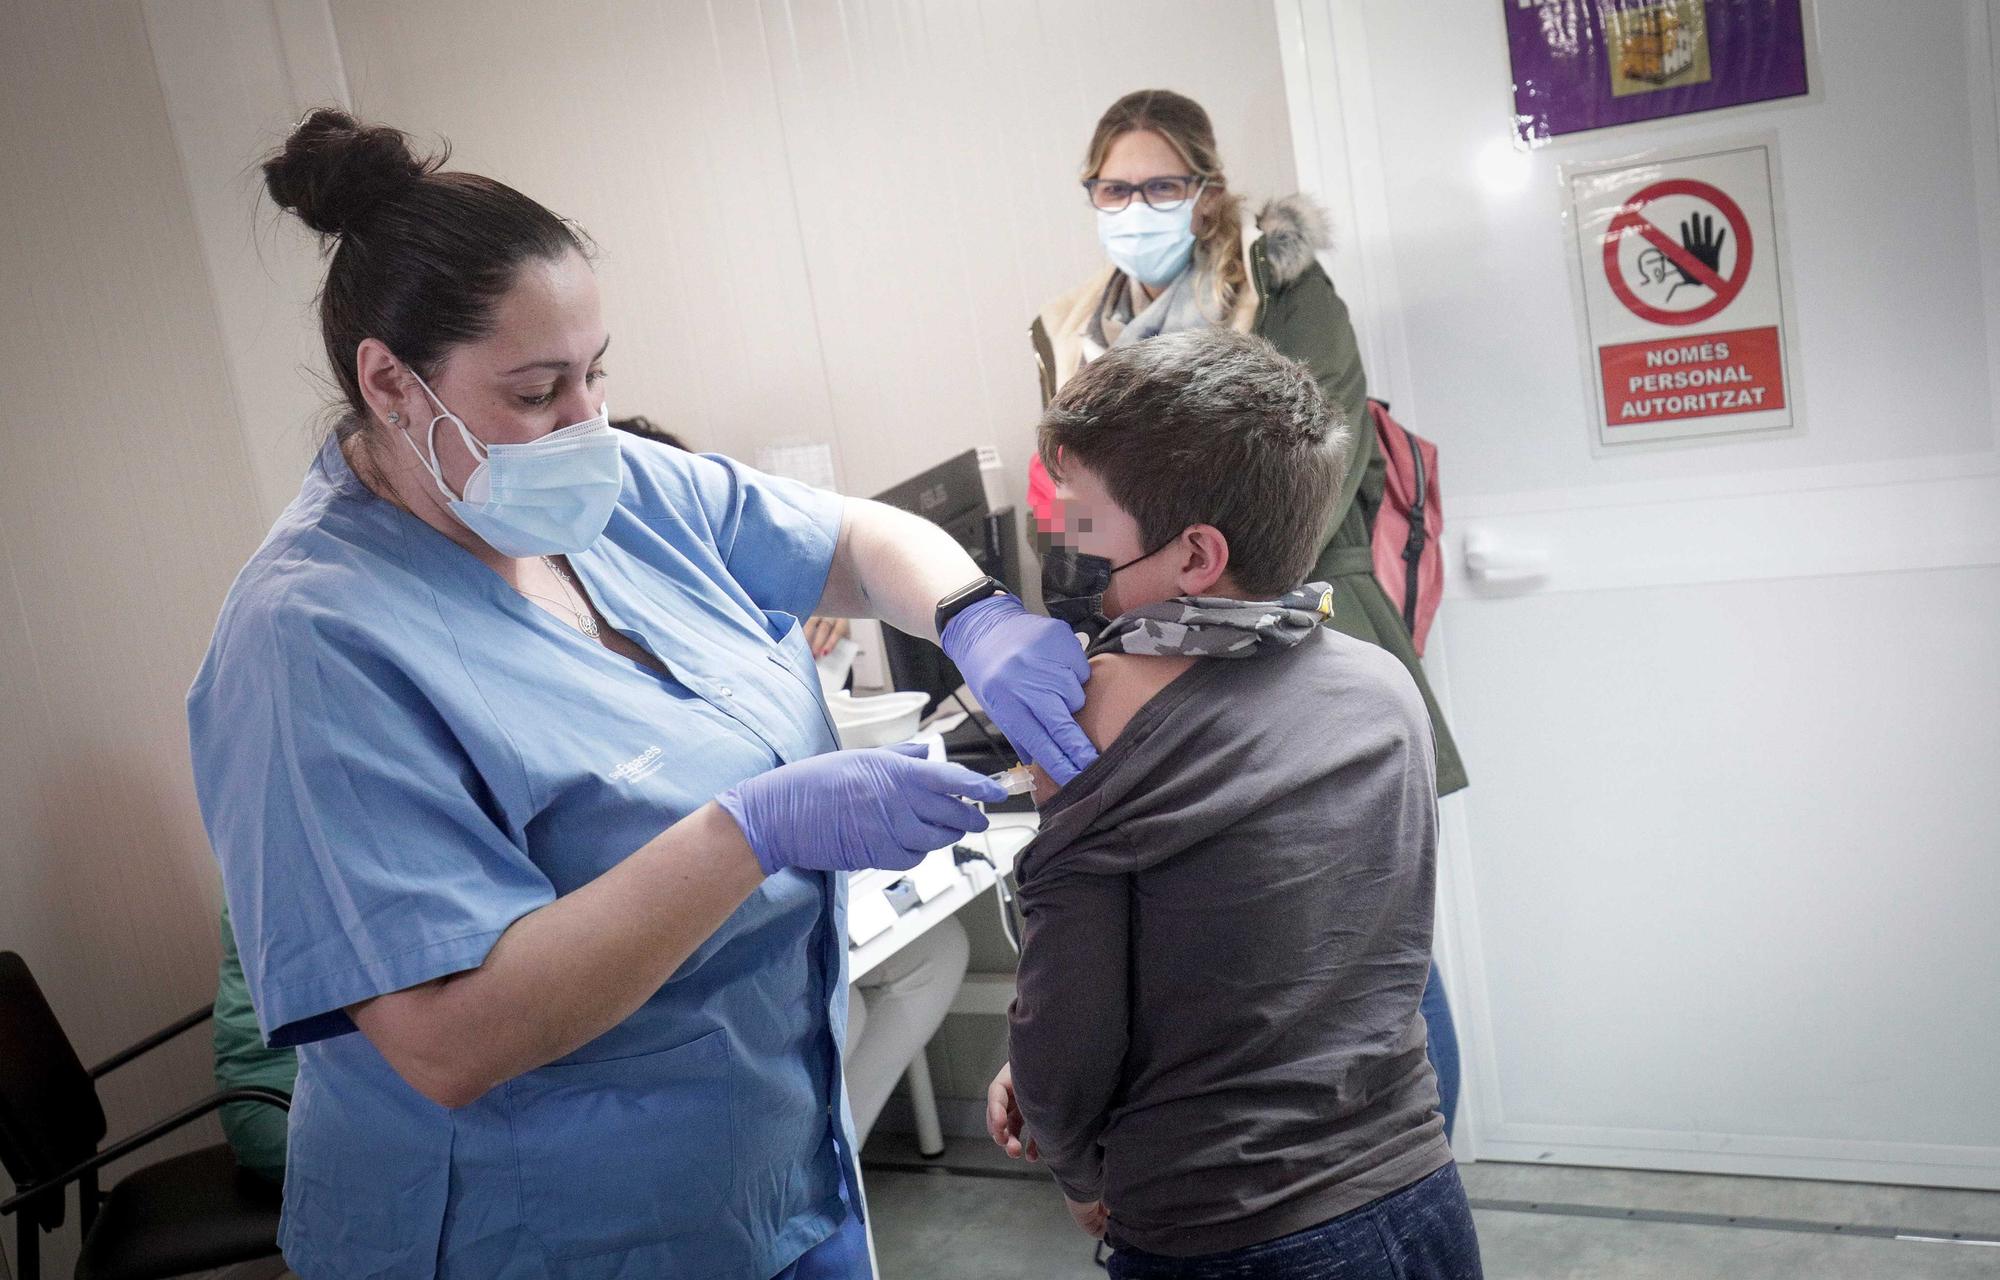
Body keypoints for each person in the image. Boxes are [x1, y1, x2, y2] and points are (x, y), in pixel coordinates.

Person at [187, 110, 1098, 1279]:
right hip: (535, 1235)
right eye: (535, 388)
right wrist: (753, 828)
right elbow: (453, 1038)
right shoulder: (307, 641)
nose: (586, 422)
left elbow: (854, 541)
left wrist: (970, 611)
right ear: (392, 382)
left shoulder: (608, 491)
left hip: (769, 1182)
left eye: (596, 373)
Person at [988, 329, 1481, 1278]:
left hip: (1228, 1233)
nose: (1063, 544)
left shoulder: (1091, 718)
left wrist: (1076, 1167)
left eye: (1082, 522)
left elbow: (1069, 1032)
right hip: (1417, 1200)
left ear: (1198, 555)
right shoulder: (1383, 688)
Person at [1026, 88, 1467, 1137]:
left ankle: (1408, 1153)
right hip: (1163, 644)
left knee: (1367, 939)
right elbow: (1066, 490)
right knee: (1233, 944)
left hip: (1299, 623)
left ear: (1205, 188)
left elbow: (1306, 478)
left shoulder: (1275, 286)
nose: (1133, 204)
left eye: (1159, 184)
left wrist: (1188, 610)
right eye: (1113, 187)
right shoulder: (1069, 324)